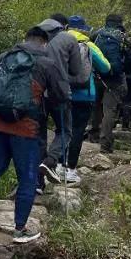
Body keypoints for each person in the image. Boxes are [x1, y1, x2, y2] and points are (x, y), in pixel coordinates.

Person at [0, 25, 65, 244]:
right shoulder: (47, 62)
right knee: (27, 177)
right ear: (45, 42)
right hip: (26, 128)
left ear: (24, 38)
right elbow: (61, 96)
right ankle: (20, 229)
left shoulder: (4, 57)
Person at [60, 15, 110, 183]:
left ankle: (59, 165)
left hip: (62, 94)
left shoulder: (60, 43)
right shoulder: (89, 45)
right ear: (83, 29)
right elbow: (106, 66)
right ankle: (71, 170)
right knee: (77, 131)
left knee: (63, 130)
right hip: (84, 95)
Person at [37, 14, 81, 185]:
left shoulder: (33, 36)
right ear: (64, 25)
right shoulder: (68, 39)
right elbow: (76, 70)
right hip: (59, 92)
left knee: (39, 135)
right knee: (65, 131)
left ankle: (37, 183)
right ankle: (50, 161)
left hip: (36, 93)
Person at [93, 13, 131, 155]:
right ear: (120, 22)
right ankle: (106, 144)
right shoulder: (123, 37)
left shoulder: (97, 33)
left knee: (96, 106)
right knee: (109, 110)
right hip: (114, 79)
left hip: (96, 76)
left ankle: (93, 134)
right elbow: (130, 57)